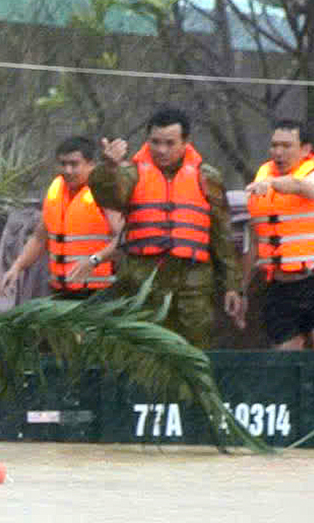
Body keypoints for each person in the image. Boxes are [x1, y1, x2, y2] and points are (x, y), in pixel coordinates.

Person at [89, 107, 237, 346]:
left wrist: (232, 285)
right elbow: (109, 198)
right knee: (146, 355)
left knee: (195, 353)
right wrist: (107, 169)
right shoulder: (130, 174)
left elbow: (222, 236)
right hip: (143, 285)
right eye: (155, 142)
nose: (161, 150)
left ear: (186, 142)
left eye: (169, 143)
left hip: (194, 287)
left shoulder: (207, 177)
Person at [230, 120, 314, 350]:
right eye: (275, 145)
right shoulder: (261, 184)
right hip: (281, 285)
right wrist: (241, 289)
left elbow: (307, 187)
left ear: (305, 150)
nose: (278, 152)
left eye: (287, 146)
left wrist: (274, 183)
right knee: (286, 359)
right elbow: (254, 245)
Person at [3, 136, 124, 297]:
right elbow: (39, 238)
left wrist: (94, 260)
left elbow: (124, 238)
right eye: (63, 164)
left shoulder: (104, 192)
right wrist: (17, 267)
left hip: (97, 293)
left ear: (90, 164)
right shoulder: (56, 191)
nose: (68, 170)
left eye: (74, 164)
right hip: (60, 292)